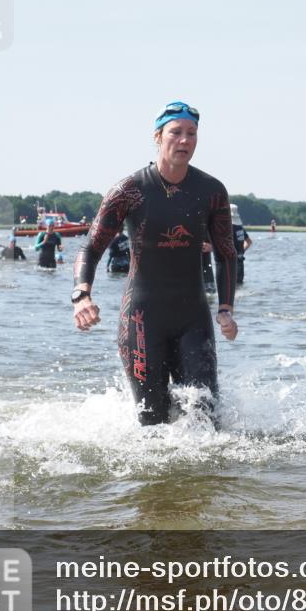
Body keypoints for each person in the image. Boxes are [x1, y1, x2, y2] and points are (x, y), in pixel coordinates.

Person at [72, 100, 238, 426]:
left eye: (192, 133)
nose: (185, 140)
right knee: (154, 424)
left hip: (194, 319)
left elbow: (227, 253)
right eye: (176, 132)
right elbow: (90, 248)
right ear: (158, 137)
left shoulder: (211, 192)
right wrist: (81, 295)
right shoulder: (129, 191)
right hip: (142, 319)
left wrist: (226, 308)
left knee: (207, 420)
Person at [230, 203, 252, 284]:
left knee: (231, 286)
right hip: (240, 260)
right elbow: (249, 242)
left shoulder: (229, 228)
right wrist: (242, 251)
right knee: (239, 285)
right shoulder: (241, 228)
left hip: (231, 262)